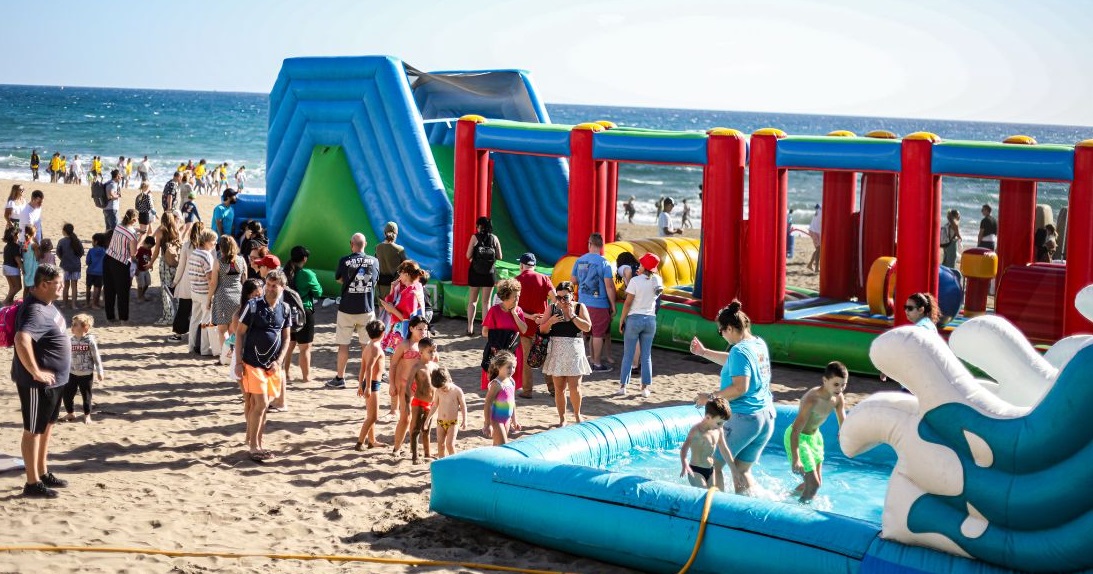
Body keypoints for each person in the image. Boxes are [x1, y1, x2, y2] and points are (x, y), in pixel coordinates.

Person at [689, 301, 775, 495]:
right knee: (742, 470)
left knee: (713, 463)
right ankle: (754, 511)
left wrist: (709, 398)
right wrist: (704, 352)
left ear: (729, 328)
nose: (722, 335)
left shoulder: (739, 351)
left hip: (744, 418)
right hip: (766, 417)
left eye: (721, 331)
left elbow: (740, 388)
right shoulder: (758, 343)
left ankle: (718, 512)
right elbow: (732, 363)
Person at [12, 264, 71, 498]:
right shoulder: (34, 310)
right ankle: (32, 482)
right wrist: (35, 372)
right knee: (33, 430)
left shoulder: (46, 304)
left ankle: (42, 471)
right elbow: (21, 339)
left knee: (47, 426)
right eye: (59, 284)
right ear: (44, 284)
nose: (62, 288)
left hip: (54, 382)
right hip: (38, 384)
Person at [235, 269, 293, 462]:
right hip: (252, 362)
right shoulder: (253, 306)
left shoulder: (285, 309)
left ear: (282, 288)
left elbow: (286, 337)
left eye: (274, 285)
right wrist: (238, 362)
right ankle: (253, 446)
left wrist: (279, 361)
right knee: (259, 404)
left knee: (262, 405)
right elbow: (240, 333)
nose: (269, 288)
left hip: (272, 365)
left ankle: (257, 441)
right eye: (267, 284)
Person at [785, 361, 847, 502]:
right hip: (799, 437)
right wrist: (796, 458)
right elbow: (796, 429)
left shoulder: (838, 397)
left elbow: (842, 419)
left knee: (815, 482)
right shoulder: (812, 399)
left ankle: (787, 498)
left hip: (815, 438)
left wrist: (844, 433)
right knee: (814, 484)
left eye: (843, 384)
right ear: (825, 381)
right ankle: (799, 513)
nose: (840, 388)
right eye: (836, 384)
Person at [326, 233, 379, 389]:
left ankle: (340, 378)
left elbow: (338, 279)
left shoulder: (344, 260)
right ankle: (365, 378)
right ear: (365, 244)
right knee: (367, 345)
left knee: (343, 345)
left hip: (347, 308)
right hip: (366, 308)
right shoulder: (374, 261)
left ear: (351, 244)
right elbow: (374, 281)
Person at [539, 281, 591, 427]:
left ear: (572, 295)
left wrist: (572, 315)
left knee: (575, 387)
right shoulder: (552, 308)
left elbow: (587, 327)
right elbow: (542, 330)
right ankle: (562, 419)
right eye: (559, 297)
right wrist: (550, 321)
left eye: (565, 297)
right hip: (557, 350)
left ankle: (577, 415)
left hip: (574, 349)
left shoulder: (580, 307)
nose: (562, 301)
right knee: (559, 388)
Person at [617, 252, 664, 398]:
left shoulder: (635, 281)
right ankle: (644, 388)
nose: (639, 266)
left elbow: (628, 303)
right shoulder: (657, 279)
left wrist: (621, 319)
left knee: (628, 355)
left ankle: (623, 386)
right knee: (646, 355)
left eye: (642, 264)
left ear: (644, 266)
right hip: (650, 319)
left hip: (634, 319)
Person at [572, 233, 616, 371]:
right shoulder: (604, 263)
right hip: (599, 304)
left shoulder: (580, 261)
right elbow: (609, 287)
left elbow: (573, 281)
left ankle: (588, 360)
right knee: (597, 334)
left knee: (587, 333)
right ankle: (597, 363)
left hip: (583, 303)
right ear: (601, 246)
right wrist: (613, 305)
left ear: (589, 244)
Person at [513, 252, 554, 398]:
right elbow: (555, 299)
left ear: (522, 265)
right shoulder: (544, 278)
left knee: (526, 359)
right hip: (542, 325)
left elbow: (512, 306)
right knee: (545, 356)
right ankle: (553, 388)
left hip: (524, 326)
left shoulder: (516, 281)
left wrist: (529, 316)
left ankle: (527, 390)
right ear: (534, 265)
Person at [389, 316, 430, 456]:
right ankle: (397, 447)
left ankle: (414, 449)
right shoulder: (405, 345)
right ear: (411, 328)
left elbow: (435, 364)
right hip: (406, 386)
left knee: (418, 420)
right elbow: (393, 364)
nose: (423, 332)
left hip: (422, 388)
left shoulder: (428, 346)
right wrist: (392, 384)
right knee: (405, 418)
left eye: (425, 329)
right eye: (420, 329)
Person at [283, 245, 323, 383]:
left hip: (287, 312)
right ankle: (306, 377)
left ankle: (286, 374)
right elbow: (319, 292)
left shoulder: (284, 272)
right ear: (304, 259)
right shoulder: (307, 274)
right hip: (303, 311)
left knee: (289, 345)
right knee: (305, 347)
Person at [479, 278, 527, 390]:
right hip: (498, 352)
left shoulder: (518, 310)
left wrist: (514, 314)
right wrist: (502, 335)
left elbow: (524, 330)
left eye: (518, 296)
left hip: (514, 352)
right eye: (515, 296)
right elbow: (485, 332)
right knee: (496, 384)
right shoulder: (494, 311)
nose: (517, 299)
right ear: (506, 296)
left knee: (510, 385)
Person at [102, 209, 147, 324]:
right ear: (134, 220)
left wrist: (138, 231)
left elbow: (128, 229)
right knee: (122, 293)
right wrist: (140, 240)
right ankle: (123, 318)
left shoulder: (118, 226)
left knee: (109, 290)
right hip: (121, 263)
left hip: (108, 258)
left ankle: (110, 317)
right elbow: (133, 253)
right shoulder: (132, 235)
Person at [680, 397, 735, 489]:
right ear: (708, 417)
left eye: (723, 423)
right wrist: (684, 464)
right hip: (695, 470)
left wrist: (734, 470)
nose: (721, 426)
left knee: (715, 496)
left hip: (710, 470)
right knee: (704, 495)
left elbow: (724, 449)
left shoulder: (718, 430)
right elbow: (684, 449)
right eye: (719, 423)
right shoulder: (696, 430)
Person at [208, 235, 247, 361]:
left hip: (222, 296)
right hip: (238, 295)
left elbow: (213, 283)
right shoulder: (241, 261)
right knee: (233, 329)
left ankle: (225, 356)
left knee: (221, 329)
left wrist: (209, 298)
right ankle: (234, 355)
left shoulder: (218, 262)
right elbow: (245, 280)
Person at [62, 314, 103, 424]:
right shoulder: (70, 341)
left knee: (86, 397)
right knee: (67, 395)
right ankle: (70, 412)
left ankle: (87, 415)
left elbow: (96, 356)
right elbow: (66, 356)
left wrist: (100, 372)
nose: (72, 327)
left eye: (75, 325)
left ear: (85, 327)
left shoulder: (90, 341)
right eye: (72, 324)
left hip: (86, 374)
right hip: (72, 373)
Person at [169, 222, 204, 343]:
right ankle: (198, 336)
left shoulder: (187, 245)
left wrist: (175, 281)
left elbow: (181, 266)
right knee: (199, 311)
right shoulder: (207, 247)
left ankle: (178, 334)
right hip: (201, 283)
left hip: (187, 282)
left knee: (183, 309)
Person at [466, 216, 501, 336]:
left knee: (472, 301)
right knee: (486, 302)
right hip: (489, 273)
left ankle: (470, 328)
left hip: (475, 272)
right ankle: (485, 329)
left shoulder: (474, 237)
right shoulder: (494, 238)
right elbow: (500, 256)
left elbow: (468, 255)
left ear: (479, 226)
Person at [354, 320, 387, 450]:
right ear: (383, 333)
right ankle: (360, 442)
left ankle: (372, 440)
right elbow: (368, 367)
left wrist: (360, 384)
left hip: (368, 382)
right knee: (374, 416)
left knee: (370, 415)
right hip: (372, 384)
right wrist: (367, 387)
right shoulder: (376, 347)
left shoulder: (368, 346)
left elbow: (362, 367)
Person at [407, 337, 440, 464]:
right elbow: (408, 385)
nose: (433, 354)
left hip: (431, 403)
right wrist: (406, 403)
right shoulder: (417, 366)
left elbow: (440, 383)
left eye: (434, 351)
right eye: (430, 351)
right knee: (415, 429)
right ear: (421, 352)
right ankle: (415, 456)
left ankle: (427, 453)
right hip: (419, 402)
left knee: (427, 429)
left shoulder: (435, 366)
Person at [185, 229, 218, 354]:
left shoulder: (194, 253)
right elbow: (210, 278)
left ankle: (191, 346)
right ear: (207, 241)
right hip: (204, 292)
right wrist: (211, 295)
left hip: (195, 291)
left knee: (194, 320)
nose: (215, 245)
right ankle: (204, 349)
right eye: (214, 243)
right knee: (205, 320)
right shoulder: (206, 255)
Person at [151, 212, 182, 326]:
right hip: (176, 263)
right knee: (177, 289)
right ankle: (179, 315)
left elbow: (156, 251)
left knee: (165, 290)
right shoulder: (177, 231)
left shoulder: (161, 232)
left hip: (165, 263)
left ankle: (169, 317)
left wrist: (151, 263)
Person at [483, 351, 519, 446]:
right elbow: (488, 403)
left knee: (497, 446)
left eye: (513, 367)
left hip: (507, 420)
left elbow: (512, 402)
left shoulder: (511, 381)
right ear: (499, 367)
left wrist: (515, 420)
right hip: (496, 420)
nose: (511, 370)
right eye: (508, 367)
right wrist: (487, 424)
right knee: (503, 445)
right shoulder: (496, 384)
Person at [431, 367, 466, 459]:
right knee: (440, 444)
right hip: (440, 422)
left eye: (444, 387)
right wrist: (428, 419)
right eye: (440, 388)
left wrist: (465, 420)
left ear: (450, 380)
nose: (442, 390)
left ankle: (453, 463)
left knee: (450, 445)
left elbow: (463, 406)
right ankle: (442, 462)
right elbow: (435, 405)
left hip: (452, 423)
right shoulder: (438, 391)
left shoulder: (457, 391)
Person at [375, 221, 406, 302]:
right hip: (395, 286)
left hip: (381, 286)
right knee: (393, 310)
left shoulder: (378, 248)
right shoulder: (400, 249)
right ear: (396, 234)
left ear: (385, 233)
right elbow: (406, 267)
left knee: (382, 310)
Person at [56, 223, 84, 310]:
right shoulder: (77, 240)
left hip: (65, 266)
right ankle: (74, 305)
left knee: (66, 286)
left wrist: (63, 258)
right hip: (75, 266)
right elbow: (81, 252)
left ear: (64, 231)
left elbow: (58, 253)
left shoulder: (61, 241)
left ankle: (64, 304)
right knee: (74, 286)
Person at [84, 233, 105, 309]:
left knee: (88, 287)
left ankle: (87, 303)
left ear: (96, 242)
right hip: (100, 273)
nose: (92, 242)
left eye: (92, 241)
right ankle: (95, 303)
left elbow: (87, 261)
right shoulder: (105, 251)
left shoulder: (91, 250)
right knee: (97, 288)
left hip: (90, 271)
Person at [2, 227, 22, 305]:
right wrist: (22, 268)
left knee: (12, 287)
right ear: (14, 236)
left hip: (5, 267)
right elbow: (17, 259)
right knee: (18, 287)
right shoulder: (16, 246)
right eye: (17, 235)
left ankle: (9, 302)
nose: (18, 237)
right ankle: (6, 301)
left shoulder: (6, 246)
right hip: (12, 268)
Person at [134, 236, 155, 302]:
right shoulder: (140, 250)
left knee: (147, 283)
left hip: (146, 269)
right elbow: (136, 260)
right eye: (149, 246)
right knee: (140, 285)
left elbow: (149, 257)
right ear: (145, 243)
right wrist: (136, 269)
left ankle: (142, 295)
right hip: (140, 270)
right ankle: (139, 297)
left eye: (151, 247)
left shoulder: (149, 250)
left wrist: (150, 264)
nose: (149, 248)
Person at [807, 204, 822, 272]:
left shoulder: (819, 208)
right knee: (819, 249)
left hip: (816, 231)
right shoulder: (822, 209)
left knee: (818, 250)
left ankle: (810, 265)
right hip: (814, 231)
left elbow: (816, 206)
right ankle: (815, 267)